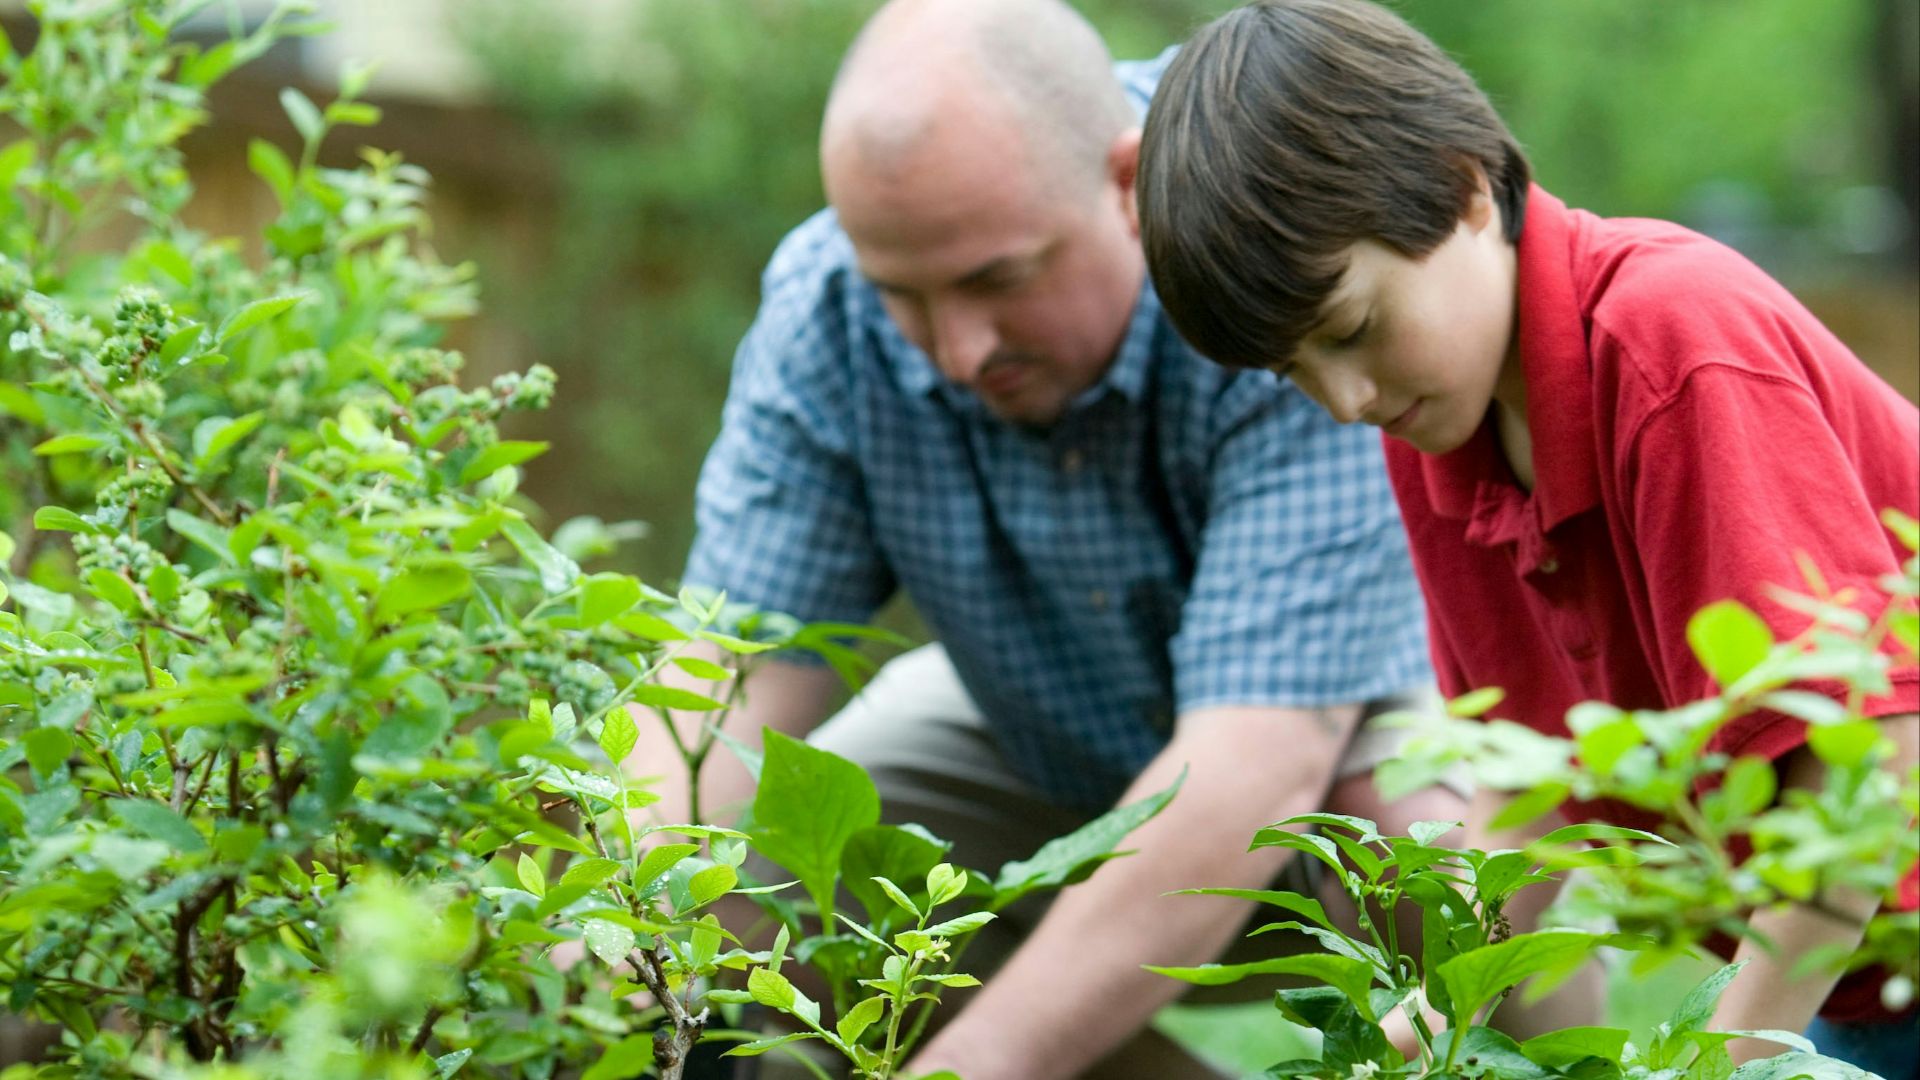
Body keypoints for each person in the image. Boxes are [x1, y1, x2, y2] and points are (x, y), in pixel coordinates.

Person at [630, 0, 1479, 1076]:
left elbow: (1253, 762)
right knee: (763, 878)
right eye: (905, 294)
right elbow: (728, 677)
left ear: (1126, 185)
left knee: (1419, 860)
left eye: (997, 280)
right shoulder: (825, 308)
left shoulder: (1257, 244)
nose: (957, 349)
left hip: (1328, 717)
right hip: (1032, 728)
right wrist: (606, 927)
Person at [1133, 1, 1920, 1073]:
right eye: (1292, 372)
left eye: (1354, 329)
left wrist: (1729, 1060)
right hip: (1860, 972)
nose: (1345, 400)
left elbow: (1870, 757)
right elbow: (1525, 785)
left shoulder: (1667, 344)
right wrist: (1429, 1023)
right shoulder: (1435, 432)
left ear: (1463, 190)